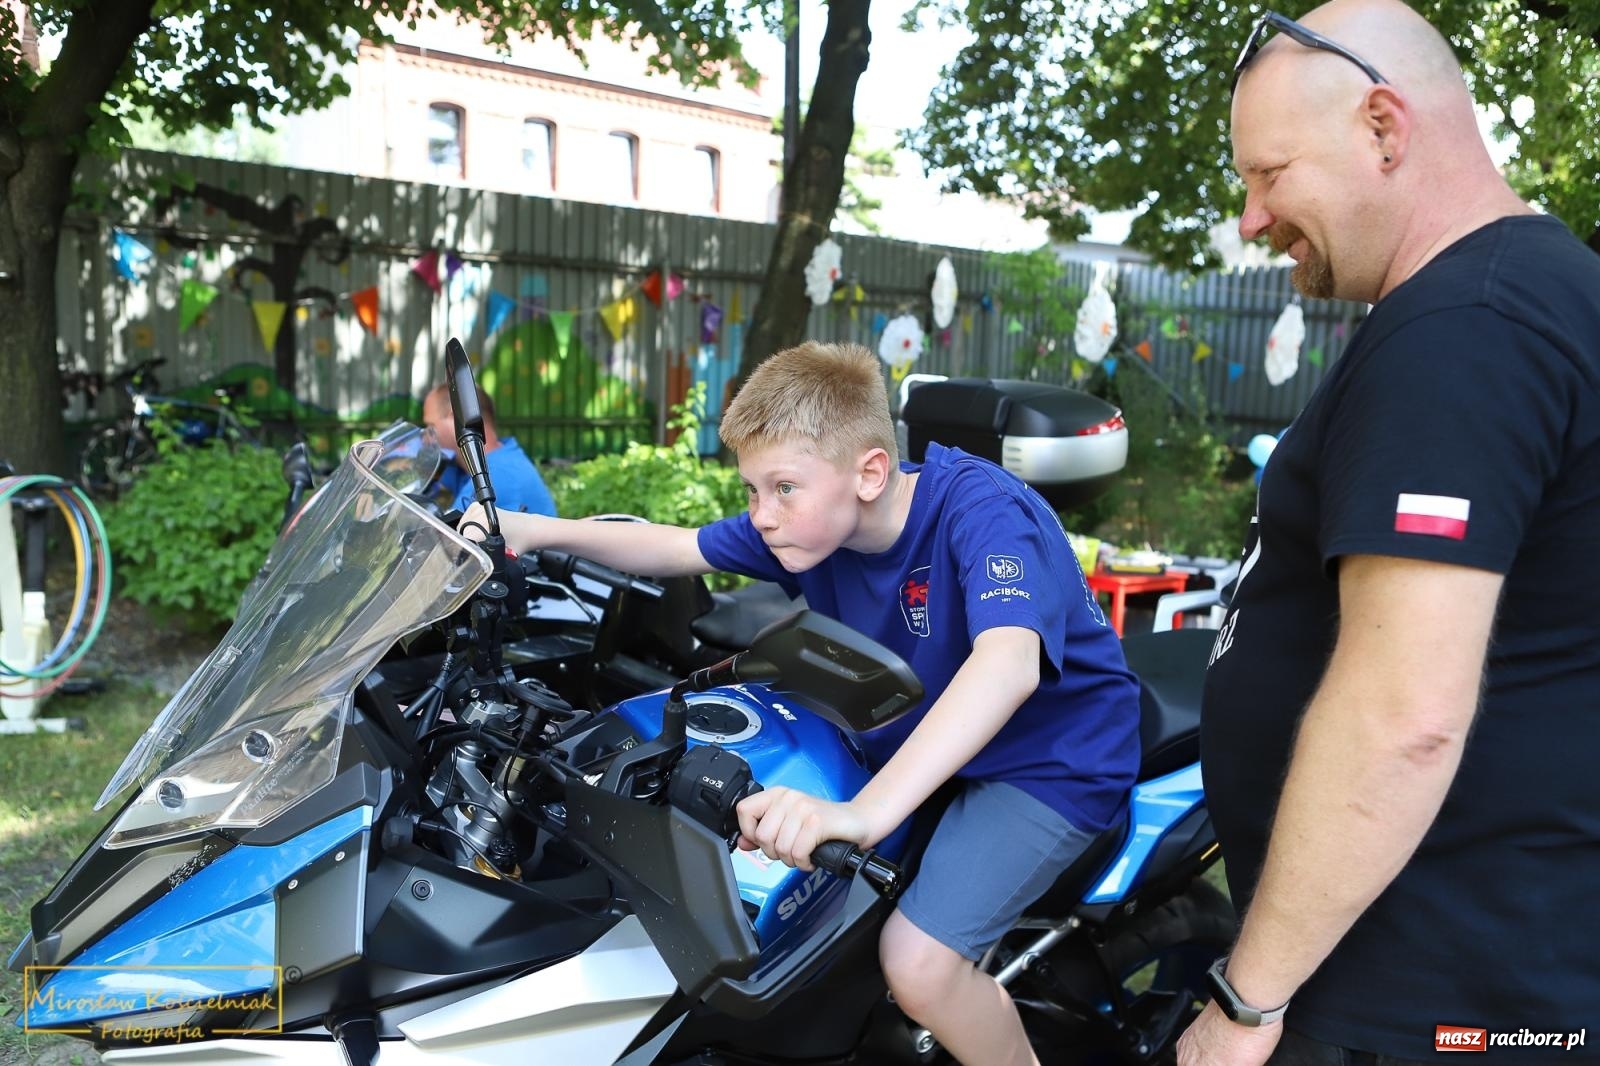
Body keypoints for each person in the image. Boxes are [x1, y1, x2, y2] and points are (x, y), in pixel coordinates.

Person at [467, 341, 1140, 1065]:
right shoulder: (812, 525)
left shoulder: (981, 508)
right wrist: (527, 531)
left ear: (870, 473)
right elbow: (676, 545)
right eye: (753, 491)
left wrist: (864, 813)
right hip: (906, 730)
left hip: (1047, 763)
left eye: (781, 488)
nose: (761, 514)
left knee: (917, 963)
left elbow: (1007, 664)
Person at [1182, 2, 1600, 1063]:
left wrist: (1248, 1000)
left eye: (1267, 173)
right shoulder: (1541, 294)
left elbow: (1401, 714)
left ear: (1382, 125)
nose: (1249, 217)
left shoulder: (1466, 334)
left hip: (1426, 998)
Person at [422, 382, 557, 517]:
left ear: (456, 418)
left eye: (431, 426)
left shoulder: (496, 476)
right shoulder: (491, 460)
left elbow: (445, 535)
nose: (426, 438)